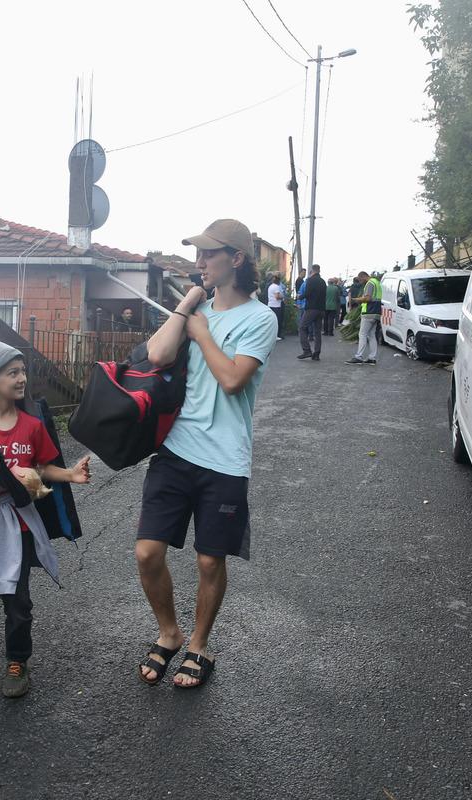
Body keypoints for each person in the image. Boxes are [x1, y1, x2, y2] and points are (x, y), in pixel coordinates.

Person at [135, 218, 277, 689]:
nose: (198, 263)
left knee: (209, 560)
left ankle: (198, 644)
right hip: (176, 450)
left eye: (207, 255)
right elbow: (156, 357)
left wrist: (203, 335)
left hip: (225, 460)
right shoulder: (195, 310)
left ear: (235, 259)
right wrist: (186, 307)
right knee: (146, 552)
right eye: (196, 256)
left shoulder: (261, 318)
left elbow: (234, 379)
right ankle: (169, 633)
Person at [0, 346, 91, 698]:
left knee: (18, 599)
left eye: (22, 371)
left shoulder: (32, 424)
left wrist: (71, 475)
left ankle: (17, 662)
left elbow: (44, 466)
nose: (22, 378)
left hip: (21, 523)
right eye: (12, 372)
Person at [347, 270, 384, 365]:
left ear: (363, 277)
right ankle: (372, 358)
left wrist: (356, 299)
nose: (360, 282)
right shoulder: (377, 283)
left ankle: (358, 357)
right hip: (376, 312)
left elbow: (367, 298)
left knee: (362, 334)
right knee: (371, 335)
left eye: (360, 280)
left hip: (369, 312)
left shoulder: (370, 283)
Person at [297, 264, 326, 361]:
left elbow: (308, 293)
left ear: (312, 271)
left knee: (302, 327)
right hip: (321, 309)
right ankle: (316, 353)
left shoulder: (310, 280)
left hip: (311, 309)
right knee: (317, 332)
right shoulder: (323, 282)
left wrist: (299, 297)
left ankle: (307, 350)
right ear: (319, 270)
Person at [266, 274, 285, 341]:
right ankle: (275, 335)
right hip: (276, 306)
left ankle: (270, 335)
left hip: (270, 304)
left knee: (271, 321)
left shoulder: (270, 286)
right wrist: (282, 296)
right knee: (277, 321)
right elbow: (277, 297)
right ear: (278, 280)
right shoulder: (276, 287)